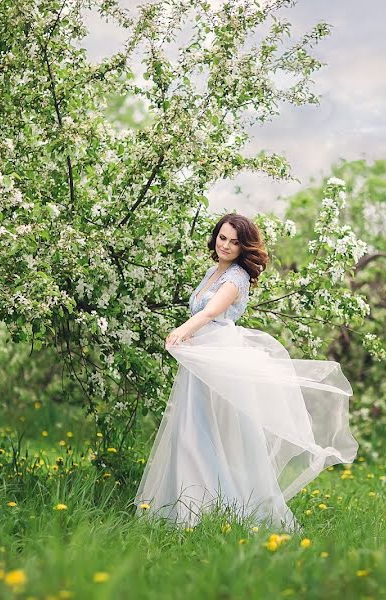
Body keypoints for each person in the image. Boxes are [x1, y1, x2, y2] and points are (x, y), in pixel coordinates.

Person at [133, 213, 358, 533]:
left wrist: (181, 330)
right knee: (190, 427)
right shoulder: (214, 270)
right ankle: (186, 510)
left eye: (234, 242)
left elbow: (211, 311)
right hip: (200, 356)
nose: (226, 245)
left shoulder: (236, 277)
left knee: (213, 431)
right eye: (222, 238)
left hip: (220, 356)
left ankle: (216, 510)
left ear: (243, 248)